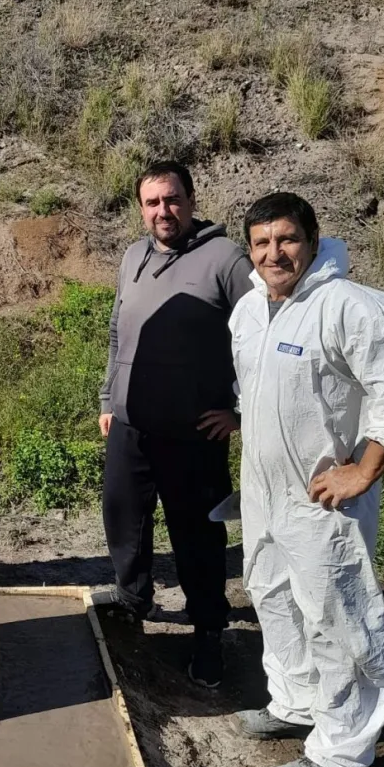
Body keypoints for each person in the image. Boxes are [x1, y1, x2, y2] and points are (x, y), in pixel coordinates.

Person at [229, 192, 384, 767]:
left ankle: (343, 749)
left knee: (336, 615)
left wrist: (363, 471)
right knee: (272, 595)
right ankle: (294, 701)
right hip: (265, 494)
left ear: (313, 239)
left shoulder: (352, 306)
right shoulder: (248, 311)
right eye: (262, 243)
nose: (274, 253)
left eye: (286, 239)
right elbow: (260, 390)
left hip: (323, 501)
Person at [97, 160, 254, 688]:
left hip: (194, 434)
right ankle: (132, 598)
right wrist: (108, 397)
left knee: (197, 536)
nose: (164, 211)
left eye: (172, 199)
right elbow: (119, 331)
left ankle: (208, 631)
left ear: (191, 199)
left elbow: (263, 337)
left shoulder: (226, 260)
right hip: (130, 423)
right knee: (123, 517)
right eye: (152, 203)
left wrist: (241, 412)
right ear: (141, 209)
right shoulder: (133, 256)